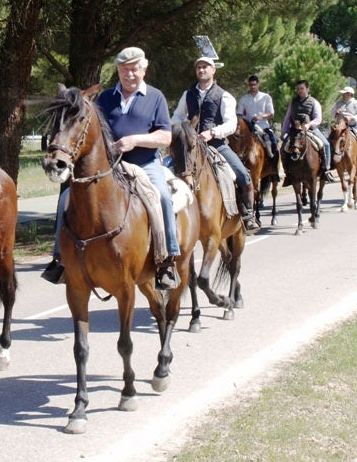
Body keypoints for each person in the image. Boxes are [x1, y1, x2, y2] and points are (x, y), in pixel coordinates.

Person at [43, 47, 181, 290]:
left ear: (144, 69)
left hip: (144, 163)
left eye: (135, 68)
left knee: (162, 197)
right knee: (66, 196)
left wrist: (135, 140)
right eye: (125, 69)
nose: (130, 74)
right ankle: (59, 259)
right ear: (118, 70)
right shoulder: (106, 98)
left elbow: (165, 137)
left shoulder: (155, 97)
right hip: (110, 166)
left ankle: (166, 260)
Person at [172, 56, 259, 233]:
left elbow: (230, 124)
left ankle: (248, 214)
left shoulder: (224, 96)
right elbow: (176, 117)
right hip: (190, 146)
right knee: (166, 171)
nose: (201, 70)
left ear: (213, 70)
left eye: (205, 67)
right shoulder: (187, 94)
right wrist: (181, 131)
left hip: (216, 145)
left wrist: (212, 132)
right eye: (198, 67)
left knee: (242, 174)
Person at [281, 79, 338, 183]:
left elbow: (318, 119)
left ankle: (326, 169)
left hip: (310, 129)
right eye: (298, 89)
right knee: (283, 148)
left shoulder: (314, 102)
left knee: (325, 144)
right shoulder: (293, 102)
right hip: (295, 131)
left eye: (302, 88)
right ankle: (287, 173)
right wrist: (284, 132)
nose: (300, 91)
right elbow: (287, 117)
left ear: (307, 89)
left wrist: (309, 124)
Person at [236, 74, 279, 163]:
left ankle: (273, 168)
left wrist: (261, 116)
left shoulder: (266, 97)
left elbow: (271, 113)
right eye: (251, 85)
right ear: (249, 85)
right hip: (248, 126)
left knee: (273, 142)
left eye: (255, 84)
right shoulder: (244, 99)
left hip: (263, 126)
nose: (253, 87)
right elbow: (239, 114)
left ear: (258, 84)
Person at [331, 86, 357, 164]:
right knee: (330, 138)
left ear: (349, 94)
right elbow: (332, 114)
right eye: (343, 93)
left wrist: (352, 117)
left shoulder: (356, 103)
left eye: (344, 93)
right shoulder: (339, 103)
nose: (343, 95)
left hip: (353, 126)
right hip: (340, 127)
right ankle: (331, 158)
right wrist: (336, 112)